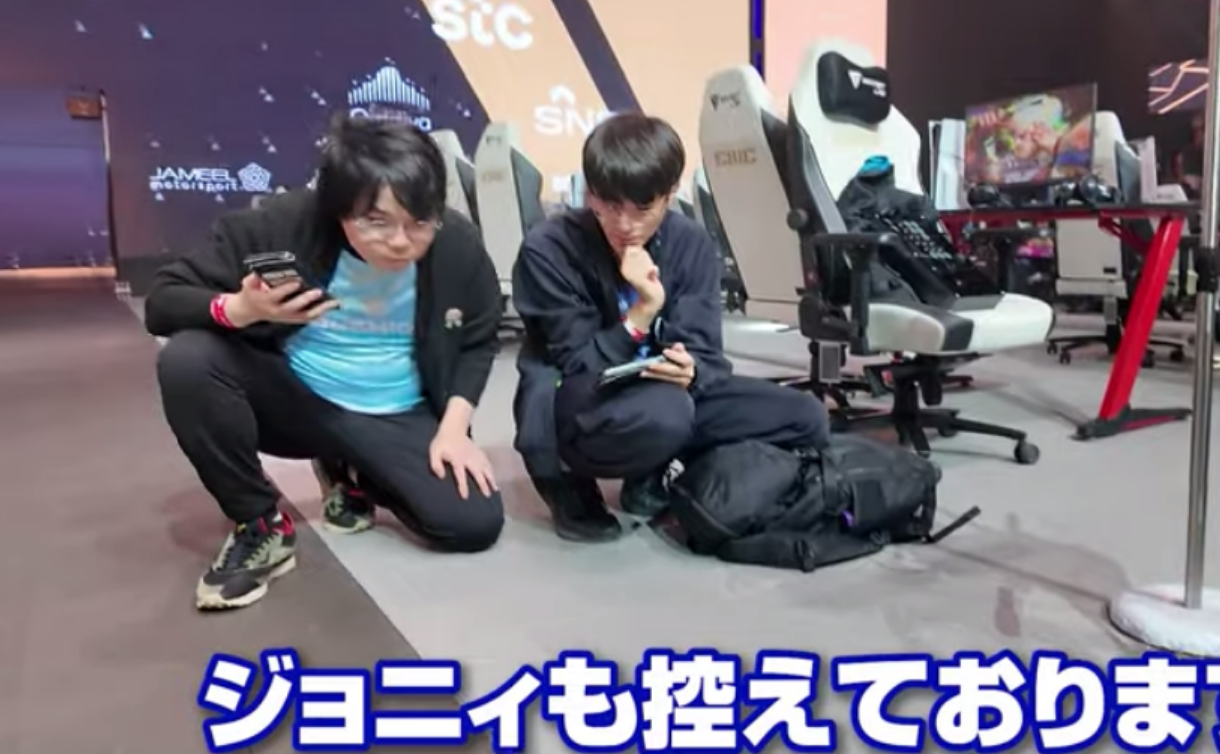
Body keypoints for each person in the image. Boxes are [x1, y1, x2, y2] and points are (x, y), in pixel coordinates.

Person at [145, 115, 507, 611]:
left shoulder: (456, 245)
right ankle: (260, 523)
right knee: (189, 360)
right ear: (338, 209)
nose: (401, 241)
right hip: (296, 399)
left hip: (393, 410)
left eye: (419, 222)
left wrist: (454, 430)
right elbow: (163, 302)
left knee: (471, 523)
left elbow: (479, 338)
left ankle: (350, 471)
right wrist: (241, 309)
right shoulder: (281, 226)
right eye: (377, 222)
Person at [510, 112, 831, 542]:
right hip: (579, 400)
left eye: (643, 208)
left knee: (806, 417)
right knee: (666, 414)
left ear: (670, 193)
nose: (625, 226)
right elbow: (577, 364)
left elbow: (707, 356)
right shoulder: (550, 248)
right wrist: (642, 313)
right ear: (591, 194)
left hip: (666, 396)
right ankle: (568, 479)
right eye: (610, 206)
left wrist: (691, 369)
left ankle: (656, 472)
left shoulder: (689, 243)